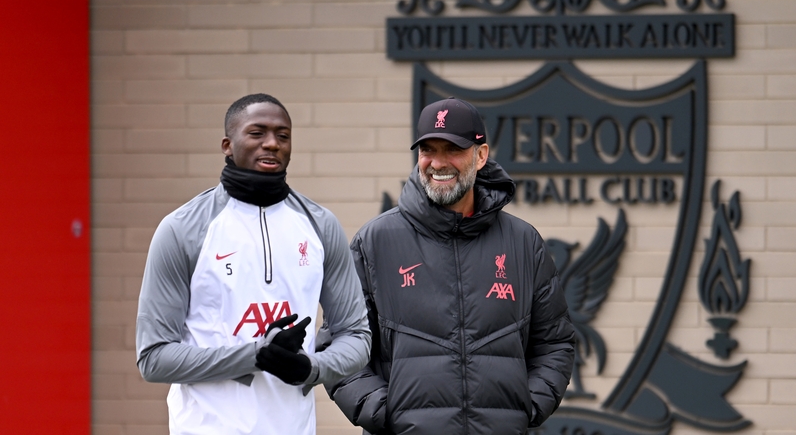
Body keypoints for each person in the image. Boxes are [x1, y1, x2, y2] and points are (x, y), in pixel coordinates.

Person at [328, 97, 576, 435]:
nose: (438, 163)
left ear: (481, 155)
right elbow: (341, 342)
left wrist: (524, 408)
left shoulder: (523, 243)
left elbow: (555, 343)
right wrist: (386, 413)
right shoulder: (375, 242)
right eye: (428, 150)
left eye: (453, 150)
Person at [136, 93, 371, 435]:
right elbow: (154, 358)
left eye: (283, 135)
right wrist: (255, 356)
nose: (272, 143)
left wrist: (311, 368)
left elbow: (357, 337)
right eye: (257, 133)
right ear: (227, 146)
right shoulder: (181, 229)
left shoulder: (321, 226)